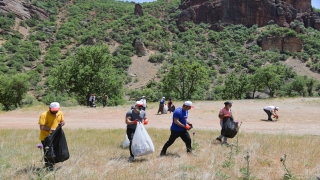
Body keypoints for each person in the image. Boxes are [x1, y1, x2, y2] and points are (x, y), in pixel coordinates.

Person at [38, 102, 65, 171]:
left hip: (56, 136)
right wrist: (52, 129)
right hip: (46, 137)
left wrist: (62, 123)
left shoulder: (60, 113)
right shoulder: (44, 115)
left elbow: (62, 121)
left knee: (56, 151)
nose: (55, 112)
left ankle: (52, 165)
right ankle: (48, 167)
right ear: (49, 108)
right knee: (48, 153)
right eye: (54, 110)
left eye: (57, 110)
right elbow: (42, 127)